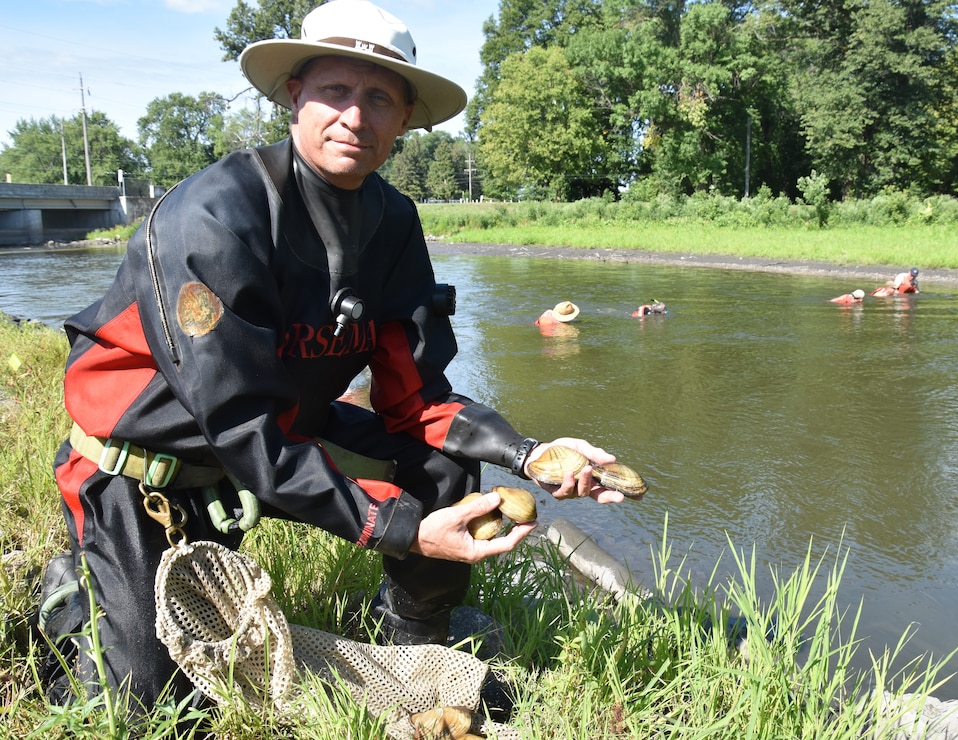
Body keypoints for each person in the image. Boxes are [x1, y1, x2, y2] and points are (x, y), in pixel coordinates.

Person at [40, 0, 628, 714]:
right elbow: (240, 427)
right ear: (294, 96)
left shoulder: (394, 222)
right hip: (145, 462)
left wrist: (531, 454)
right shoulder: (213, 220)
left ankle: (414, 638)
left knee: (441, 466)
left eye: (380, 97)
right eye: (336, 91)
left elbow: (417, 401)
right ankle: (73, 588)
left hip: (284, 431)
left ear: (406, 118)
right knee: (152, 709)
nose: (356, 115)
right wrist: (401, 527)